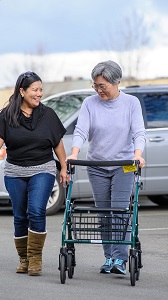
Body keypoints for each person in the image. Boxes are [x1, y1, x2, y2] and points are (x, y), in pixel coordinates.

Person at [0, 71, 68, 276]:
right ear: (22, 91)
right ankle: (24, 258)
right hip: (14, 171)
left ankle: (35, 258)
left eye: (41, 90)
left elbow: (58, 144)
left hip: (42, 168)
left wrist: (63, 167)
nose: (39, 94)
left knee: (36, 210)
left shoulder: (48, 115)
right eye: (34, 90)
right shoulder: (7, 115)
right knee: (20, 215)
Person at [67, 60, 146, 275]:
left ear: (116, 82)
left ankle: (120, 259)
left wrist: (137, 155)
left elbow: (139, 132)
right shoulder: (89, 104)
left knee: (119, 211)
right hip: (97, 165)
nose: (99, 90)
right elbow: (81, 131)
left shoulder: (131, 103)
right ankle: (109, 257)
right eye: (96, 86)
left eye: (103, 86)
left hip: (124, 165)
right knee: (103, 214)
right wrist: (74, 153)